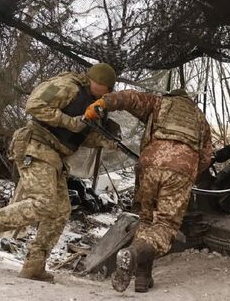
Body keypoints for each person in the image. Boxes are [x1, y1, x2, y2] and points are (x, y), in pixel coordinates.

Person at [0, 63, 118, 282]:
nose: (107, 94)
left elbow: (81, 134)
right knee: (44, 203)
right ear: (98, 83)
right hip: (36, 144)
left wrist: (107, 140)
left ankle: (35, 264)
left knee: (59, 211)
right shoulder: (69, 87)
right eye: (106, 89)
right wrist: (70, 122)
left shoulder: (93, 104)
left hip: (55, 155)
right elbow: (34, 105)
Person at [84, 88, 212, 292]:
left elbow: (130, 98)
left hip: (149, 164)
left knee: (146, 220)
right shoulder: (200, 119)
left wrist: (103, 103)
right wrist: (188, 174)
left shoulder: (160, 103)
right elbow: (206, 156)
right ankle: (133, 253)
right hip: (181, 168)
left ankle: (143, 278)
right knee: (165, 225)